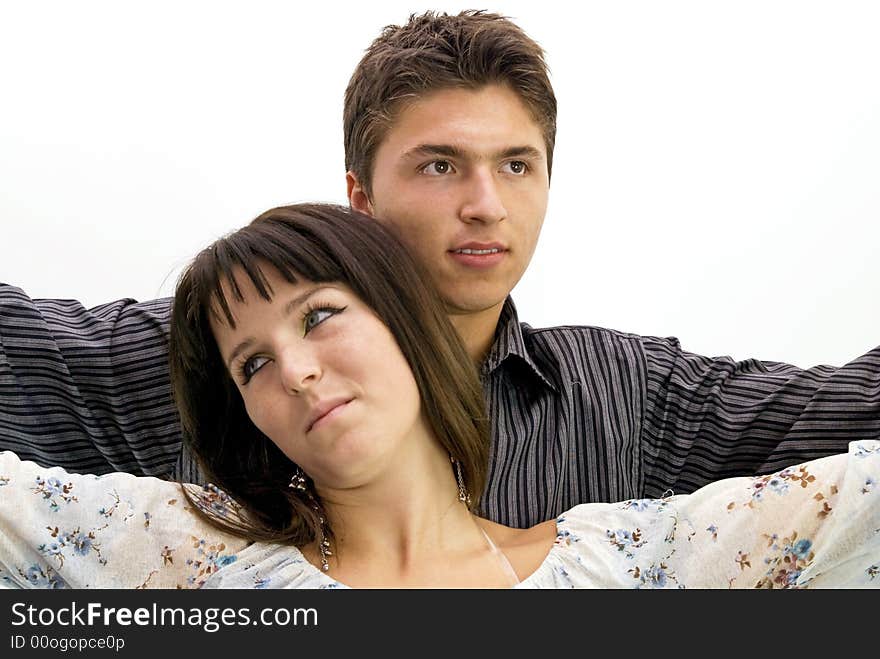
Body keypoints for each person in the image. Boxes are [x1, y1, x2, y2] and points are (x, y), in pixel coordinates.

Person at [1, 11, 879, 530]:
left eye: (517, 164)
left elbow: (844, 413)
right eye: (439, 165)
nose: (487, 204)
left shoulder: (627, 394)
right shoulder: (208, 347)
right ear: (360, 197)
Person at [2, 204, 878, 589]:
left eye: (318, 317)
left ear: (406, 319)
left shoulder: (628, 561)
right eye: (251, 365)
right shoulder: (184, 554)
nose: (295, 370)